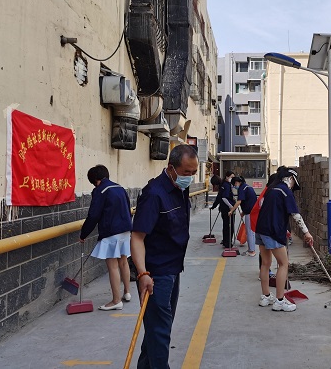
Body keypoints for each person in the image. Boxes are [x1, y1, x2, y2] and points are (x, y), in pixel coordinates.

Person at [130, 145, 198, 369]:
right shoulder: (154, 194)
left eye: (194, 172)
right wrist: (143, 274)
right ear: (171, 168)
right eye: (186, 172)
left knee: (158, 329)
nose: (190, 177)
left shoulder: (180, 187)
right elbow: (137, 237)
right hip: (155, 274)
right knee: (160, 332)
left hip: (173, 269)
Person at [255, 167, 313, 312]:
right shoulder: (285, 191)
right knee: (283, 264)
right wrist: (307, 233)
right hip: (273, 231)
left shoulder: (271, 189)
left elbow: (269, 210)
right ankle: (280, 301)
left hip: (261, 229)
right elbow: (295, 215)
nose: (293, 187)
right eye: (294, 183)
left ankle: (265, 297)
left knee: (265, 263)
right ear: (290, 179)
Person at [79, 164, 132, 311]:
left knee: (113, 265)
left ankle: (116, 301)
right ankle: (127, 292)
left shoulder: (100, 190)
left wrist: (83, 234)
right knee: (124, 262)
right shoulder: (120, 188)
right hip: (126, 230)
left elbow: (93, 215)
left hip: (111, 231)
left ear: (95, 180)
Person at [228, 176, 258, 256]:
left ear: (237, 182)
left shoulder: (242, 189)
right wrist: (243, 212)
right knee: (251, 231)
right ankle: (251, 249)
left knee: (249, 232)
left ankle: (252, 251)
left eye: (234, 184)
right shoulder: (247, 187)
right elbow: (249, 201)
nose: (235, 186)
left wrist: (231, 210)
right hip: (252, 211)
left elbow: (239, 201)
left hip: (250, 213)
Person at [210, 170, 236, 248]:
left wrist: (214, 206)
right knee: (229, 226)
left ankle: (225, 241)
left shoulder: (224, 184)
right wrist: (231, 207)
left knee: (226, 225)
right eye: (231, 177)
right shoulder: (226, 185)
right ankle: (228, 242)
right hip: (228, 209)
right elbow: (224, 197)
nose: (233, 179)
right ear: (227, 177)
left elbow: (219, 196)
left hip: (223, 208)